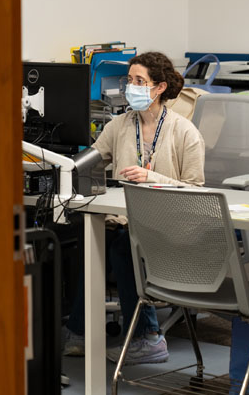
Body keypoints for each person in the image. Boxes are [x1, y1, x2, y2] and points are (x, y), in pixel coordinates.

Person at [63, 51, 206, 365]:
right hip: (128, 219)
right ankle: (81, 332)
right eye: (129, 81)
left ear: (158, 88)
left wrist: (152, 177)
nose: (132, 87)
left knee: (123, 248)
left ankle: (147, 337)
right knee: (86, 237)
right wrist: (58, 166)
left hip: (169, 226)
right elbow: (92, 160)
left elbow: (196, 191)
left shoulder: (185, 133)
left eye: (140, 81)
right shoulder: (119, 125)